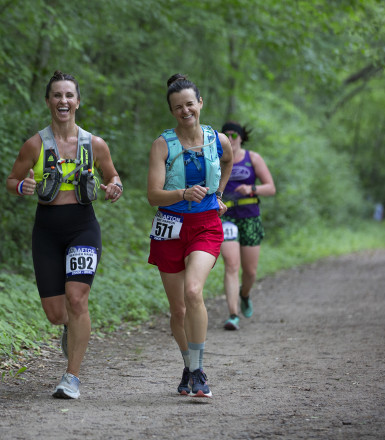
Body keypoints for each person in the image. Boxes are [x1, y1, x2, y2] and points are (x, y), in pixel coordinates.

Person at [6, 70, 123, 399]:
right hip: (46, 229)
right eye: (57, 95)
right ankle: (70, 328)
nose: (63, 101)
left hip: (83, 226)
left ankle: (72, 376)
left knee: (77, 299)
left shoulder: (94, 144)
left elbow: (114, 176)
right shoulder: (35, 144)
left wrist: (115, 187)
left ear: (78, 101)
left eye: (69, 95)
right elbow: (11, 181)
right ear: (48, 101)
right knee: (57, 313)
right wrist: (22, 185)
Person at [147, 73, 233, 398]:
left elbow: (228, 162)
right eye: (178, 107)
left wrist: (219, 193)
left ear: (200, 103)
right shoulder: (162, 145)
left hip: (206, 225)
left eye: (189, 104)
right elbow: (153, 195)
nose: (185, 111)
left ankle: (198, 372)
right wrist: (182, 193)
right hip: (169, 227)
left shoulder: (218, 139)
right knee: (178, 309)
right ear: (172, 111)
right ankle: (189, 365)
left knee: (194, 291)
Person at [219, 121, 276, 331]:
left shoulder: (253, 158)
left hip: (250, 217)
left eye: (235, 135)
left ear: (241, 137)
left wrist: (252, 188)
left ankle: (244, 294)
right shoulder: (217, 158)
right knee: (231, 265)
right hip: (227, 218)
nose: (231, 139)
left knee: (250, 272)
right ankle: (233, 314)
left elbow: (271, 188)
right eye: (227, 135)